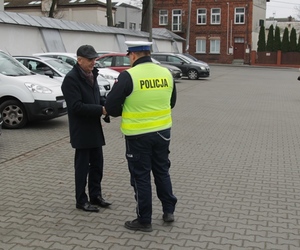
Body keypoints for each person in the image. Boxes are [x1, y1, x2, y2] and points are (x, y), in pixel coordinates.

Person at [104, 41, 177, 232]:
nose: (128, 59)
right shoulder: (166, 73)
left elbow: (111, 107)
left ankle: (144, 220)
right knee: (162, 171)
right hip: (163, 132)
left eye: (129, 56)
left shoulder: (129, 76)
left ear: (134, 55)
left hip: (137, 135)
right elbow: (172, 102)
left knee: (141, 176)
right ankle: (169, 211)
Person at [61, 44, 111, 213]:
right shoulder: (71, 79)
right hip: (81, 130)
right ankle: (81, 200)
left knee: (97, 165)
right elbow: (76, 107)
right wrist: (100, 110)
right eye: (90, 59)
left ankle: (95, 196)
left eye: (95, 59)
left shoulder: (92, 75)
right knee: (82, 167)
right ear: (79, 60)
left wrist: (106, 108)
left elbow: (96, 98)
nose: (93, 62)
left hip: (95, 128)